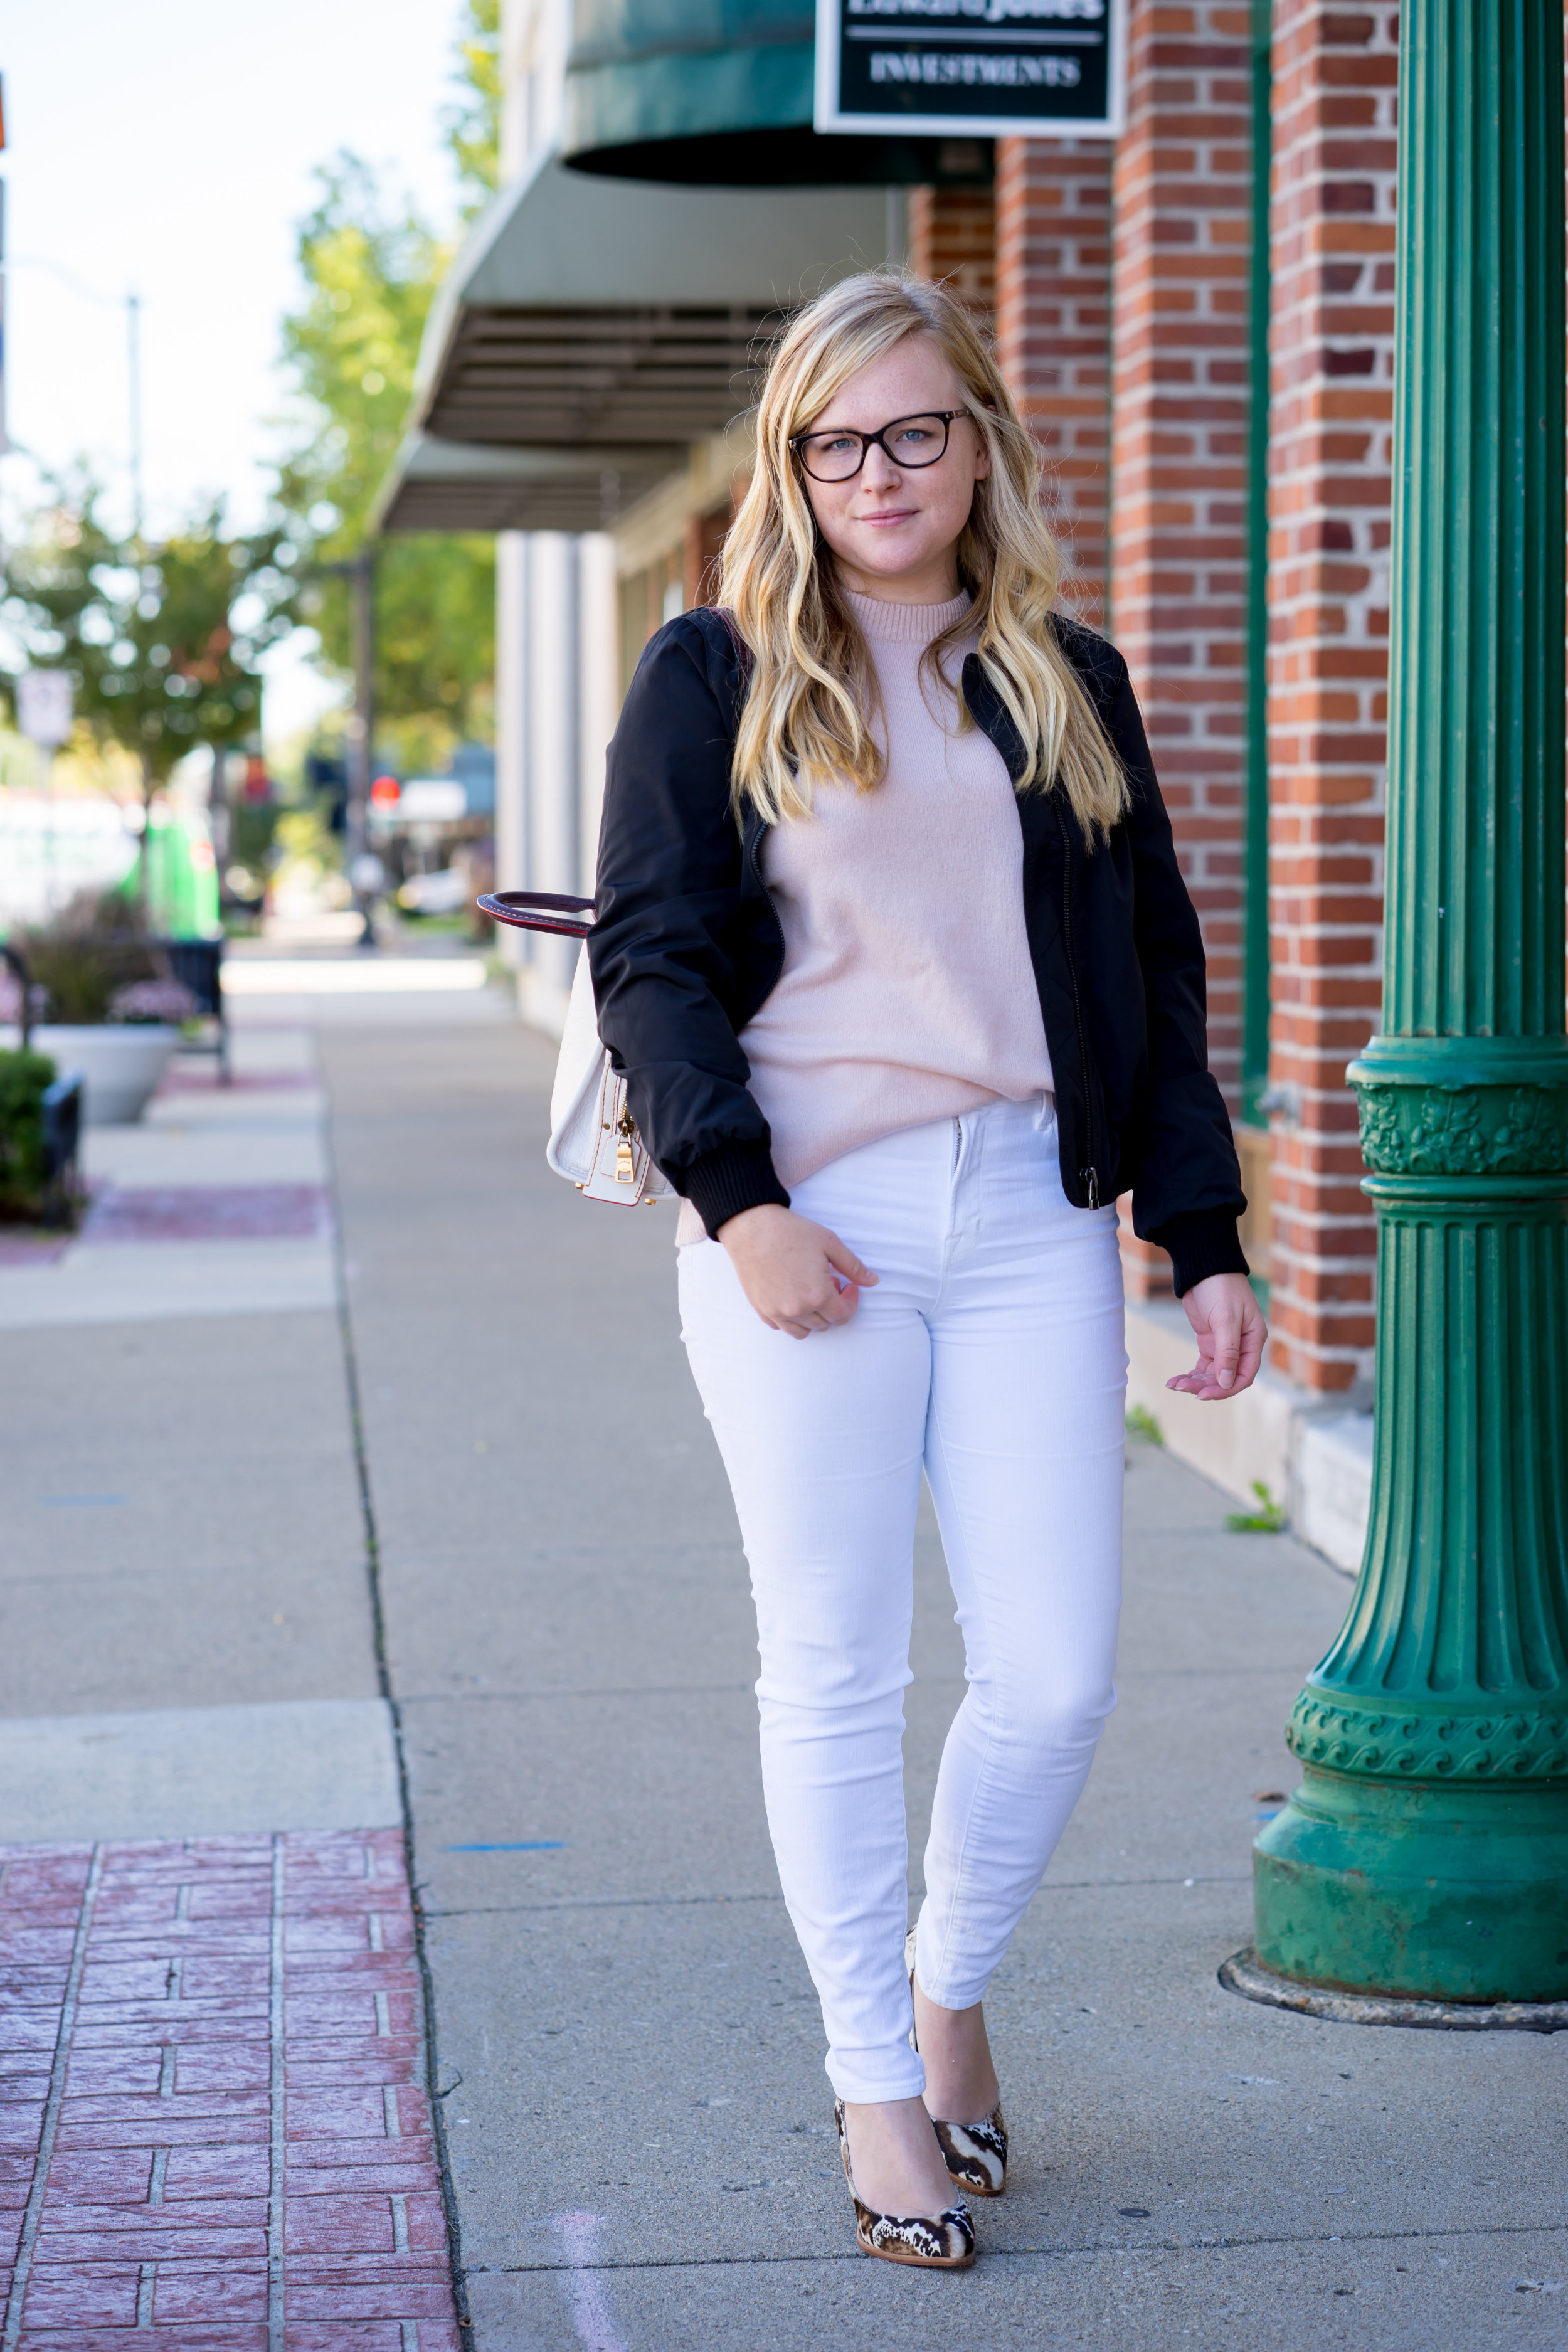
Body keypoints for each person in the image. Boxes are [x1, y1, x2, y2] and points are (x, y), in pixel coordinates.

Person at [589, 273, 1266, 2270]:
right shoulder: (713, 673)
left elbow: (1150, 965)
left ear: (980, 441)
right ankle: (876, 2093)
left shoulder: (1059, 669)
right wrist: (741, 1202)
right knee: (838, 1671)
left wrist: (1198, 1228)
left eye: (913, 431)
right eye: (833, 440)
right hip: (813, 1224)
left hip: (1033, 1215)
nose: (875, 473)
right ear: (793, 464)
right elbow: (654, 957)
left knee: (1052, 1674)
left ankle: (945, 1988)